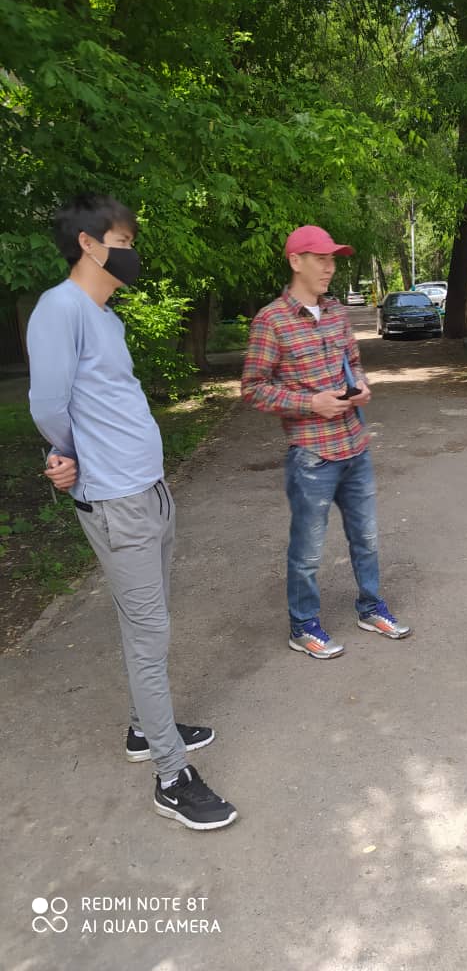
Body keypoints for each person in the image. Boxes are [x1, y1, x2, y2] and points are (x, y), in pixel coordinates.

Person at [26, 193, 237, 829]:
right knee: (150, 637)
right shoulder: (59, 309)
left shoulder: (106, 319)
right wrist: (68, 456)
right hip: (117, 502)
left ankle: (146, 728)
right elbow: (47, 405)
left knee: (149, 623)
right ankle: (171, 776)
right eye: (122, 241)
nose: (131, 253)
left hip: (149, 492)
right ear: (88, 244)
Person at [241, 224, 411, 659]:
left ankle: (370, 607)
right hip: (312, 455)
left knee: (367, 539)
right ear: (295, 261)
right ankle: (303, 626)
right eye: (321, 259)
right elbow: (253, 388)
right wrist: (310, 403)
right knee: (308, 551)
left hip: (356, 445)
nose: (329, 268)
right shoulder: (271, 321)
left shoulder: (335, 313)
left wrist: (362, 386)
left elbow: (352, 361)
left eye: (332, 259)